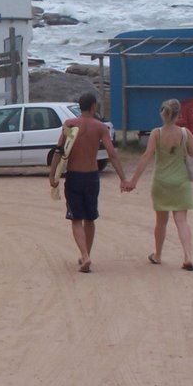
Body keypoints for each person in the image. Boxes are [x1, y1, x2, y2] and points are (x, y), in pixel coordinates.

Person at [48, 93, 128, 273]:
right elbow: (111, 153)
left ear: (79, 106)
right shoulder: (100, 127)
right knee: (90, 218)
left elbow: (59, 151)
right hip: (92, 176)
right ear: (94, 107)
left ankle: (85, 256)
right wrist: (122, 178)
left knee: (76, 218)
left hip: (74, 176)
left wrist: (52, 175)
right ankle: (86, 255)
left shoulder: (70, 124)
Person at [124, 99, 193, 271]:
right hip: (180, 182)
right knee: (181, 220)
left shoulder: (156, 134)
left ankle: (158, 255)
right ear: (178, 114)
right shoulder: (184, 133)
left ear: (163, 113)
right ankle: (188, 256)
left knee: (161, 222)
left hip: (161, 182)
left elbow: (146, 156)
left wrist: (133, 181)